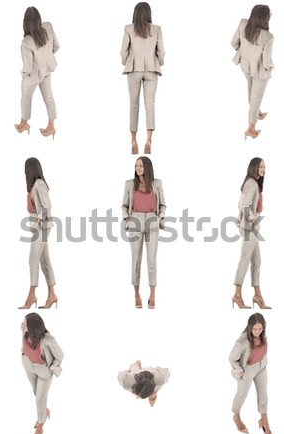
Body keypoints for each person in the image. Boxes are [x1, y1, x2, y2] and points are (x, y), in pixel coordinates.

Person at [120, 2, 165, 154]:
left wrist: (125, 62)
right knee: (150, 105)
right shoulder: (156, 29)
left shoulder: (129, 29)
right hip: (151, 69)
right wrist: (159, 63)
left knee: (133, 105)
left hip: (134, 69)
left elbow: (123, 51)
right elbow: (162, 52)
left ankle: (133, 140)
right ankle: (149, 139)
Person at [121, 156, 166, 309]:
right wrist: (127, 218)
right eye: (136, 165)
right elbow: (124, 205)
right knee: (136, 261)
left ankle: (152, 296)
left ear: (147, 167)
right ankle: (136, 294)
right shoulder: (129, 184)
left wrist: (159, 219)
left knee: (152, 261)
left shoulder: (157, 184)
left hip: (152, 223)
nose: (138, 168)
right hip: (135, 222)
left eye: (141, 165)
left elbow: (163, 205)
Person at [14, 6, 59, 139]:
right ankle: (51, 126)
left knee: (26, 97)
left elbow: (27, 67)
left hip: (33, 75)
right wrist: (46, 58)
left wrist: (23, 74)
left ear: (25, 23)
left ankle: (24, 123)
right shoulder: (48, 27)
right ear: (39, 20)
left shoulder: (26, 42)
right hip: (47, 70)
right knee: (49, 97)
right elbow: (56, 46)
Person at [19, 158, 58, 310]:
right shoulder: (33, 186)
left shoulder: (39, 183)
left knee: (32, 258)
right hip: (36, 225)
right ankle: (52, 295)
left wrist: (40, 219)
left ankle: (31, 294)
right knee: (45, 261)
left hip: (41, 225)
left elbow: (47, 205)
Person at [232, 157, 271, 309]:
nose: (263, 169)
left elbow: (240, 204)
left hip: (252, 227)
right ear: (254, 167)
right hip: (250, 227)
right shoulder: (252, 183)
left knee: (256, 261)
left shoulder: (253, 183)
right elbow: (244, 205)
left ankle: (257, 295)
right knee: (245, 260)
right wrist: (253, 219)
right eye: (261, 167)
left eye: (264, 167)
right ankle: (237, 295)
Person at [231, 5, 273, 139]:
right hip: (259, 70)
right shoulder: (268, 37)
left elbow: (233, 43)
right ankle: (251, 128)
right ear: (264, 18)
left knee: (251, 88)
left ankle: (257, 113)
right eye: (269, 14)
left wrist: (245, 53)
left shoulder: (243, 23)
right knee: (256, 97)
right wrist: (271, 67)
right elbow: (267, 62)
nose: (271, 15)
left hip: (245, 65)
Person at [21, 312, 64, 434]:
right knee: (36, 392)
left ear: (33, 327)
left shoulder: (48, 340)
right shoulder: (24, 329)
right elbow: (23, 330)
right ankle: (45, 411)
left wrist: (52, 367)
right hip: (28, 366)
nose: (23, 324)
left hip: (43, 370)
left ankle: (40, 426)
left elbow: (60, 356)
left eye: (26, 322)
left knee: (40, 398)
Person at [229, 313, 274, 434]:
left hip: (261, 367)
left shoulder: (263, 335)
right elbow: (232, 358)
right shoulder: (242, 341)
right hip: (248, 369)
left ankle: (264, 420)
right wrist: (240, 370)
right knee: (242, 394)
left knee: (263, 395)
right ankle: (236, 415)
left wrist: (263, 362)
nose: (258, 332)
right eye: (255, 329)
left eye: (260, 328)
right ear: (249, 327)